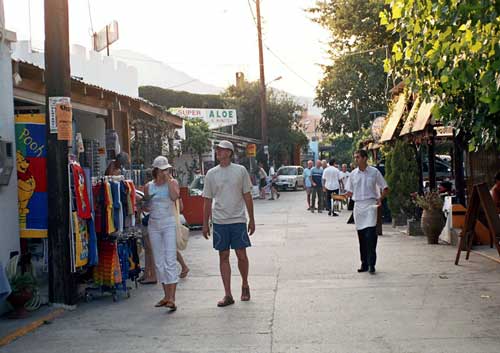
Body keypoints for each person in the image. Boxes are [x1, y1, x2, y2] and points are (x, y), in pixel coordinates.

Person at [202, 140, 256, 307]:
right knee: (223, 256)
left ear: (230, 153)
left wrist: (252, 219)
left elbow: (247, 195)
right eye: (217, 150)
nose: (219, 152)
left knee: (241, 255)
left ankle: (245, 284)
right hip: (219, 221)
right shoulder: (211, 174)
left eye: (222, 150)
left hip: (238, 220)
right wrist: (205, 223)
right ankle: (228, 294)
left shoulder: (240, 171)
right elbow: (207, 199)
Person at [144, 155, 180, 311]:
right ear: (157, 170)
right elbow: (146, 206)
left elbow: (174, 197)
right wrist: (144, 204)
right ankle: (166, 295)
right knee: (159, 261)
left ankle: (172, 297)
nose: (166, 171)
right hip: (154, 224)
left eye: (168, 169)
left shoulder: (172, 183)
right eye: (163, 169)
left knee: (170, 259)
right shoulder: (148, 186)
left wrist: (170, 181)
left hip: (168, 223)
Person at [346, 150, 389, 275]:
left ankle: (372, 263)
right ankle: (364, 263)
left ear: (365, 158)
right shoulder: (353, 174)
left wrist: (380, 199)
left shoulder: (374, 172)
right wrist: (343, 195)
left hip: (371, 205)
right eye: (355, 157)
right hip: (358, 206)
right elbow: (349, 191)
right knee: (362, 237)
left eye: (358, 157)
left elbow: (385, 187)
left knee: (371, 236)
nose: (356, 160)